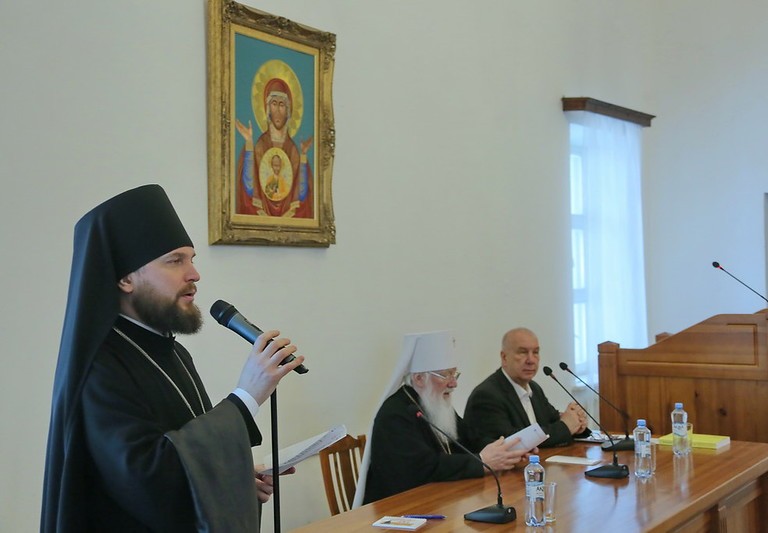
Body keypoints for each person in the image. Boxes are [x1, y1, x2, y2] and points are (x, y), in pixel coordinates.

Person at [41, 184, 305, 532]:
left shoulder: (174, 352)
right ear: (125, 278)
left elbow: (183, 457)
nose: (194, 274)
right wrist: (247, 396)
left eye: (192, 259)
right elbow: (147, 479)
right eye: (175, 261)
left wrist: (230, 478)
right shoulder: (99, 369)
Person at [353, 331, 524, 506]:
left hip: (436, 500)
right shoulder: (395, 414)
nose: (453, 383)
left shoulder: (434, 404)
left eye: (454, 374)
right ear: (419, 378)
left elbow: (471, 439)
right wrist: (481, 461)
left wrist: (510, 449)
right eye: (446, 375)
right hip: (398, 509)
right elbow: (422, 467)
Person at [464, 327, 590, 450]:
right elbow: (513, 441)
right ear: (504, 357)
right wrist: (566, 426)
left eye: (535, 352)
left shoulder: (534, 388)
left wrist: (577, 425)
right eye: (523, 352)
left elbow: (553, 421)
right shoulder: (486, 395)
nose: (531, 360)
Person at [235, 75, 314, 218]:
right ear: (268, 108)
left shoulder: (293, 150)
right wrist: (249, 143)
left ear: (288, 110)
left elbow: (301, 196)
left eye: (282, 104)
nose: (277, 110)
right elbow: (249, 188)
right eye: (274, 104)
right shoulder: (260, 145)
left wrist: (303, 155)